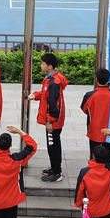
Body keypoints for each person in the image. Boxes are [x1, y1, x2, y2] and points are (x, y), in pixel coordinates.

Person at [30, 53, 68, 182]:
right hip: (53, 120)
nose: (41, 66)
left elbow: (53, 103)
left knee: (53, 145)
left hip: (53, 121)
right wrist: (35, 95)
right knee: (52, 144)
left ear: (50, 66)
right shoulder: (51, 78)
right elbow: (46, 94)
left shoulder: (54, 82)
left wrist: (50, 121)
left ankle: (57, 172)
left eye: (43, 64)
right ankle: (54, 167)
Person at [81, 69, 110, 156]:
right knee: (107, 155)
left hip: (94, 130)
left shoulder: (90, 95)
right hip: (108, 130)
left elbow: (84, 109)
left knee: (94, 154)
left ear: (96, 79)